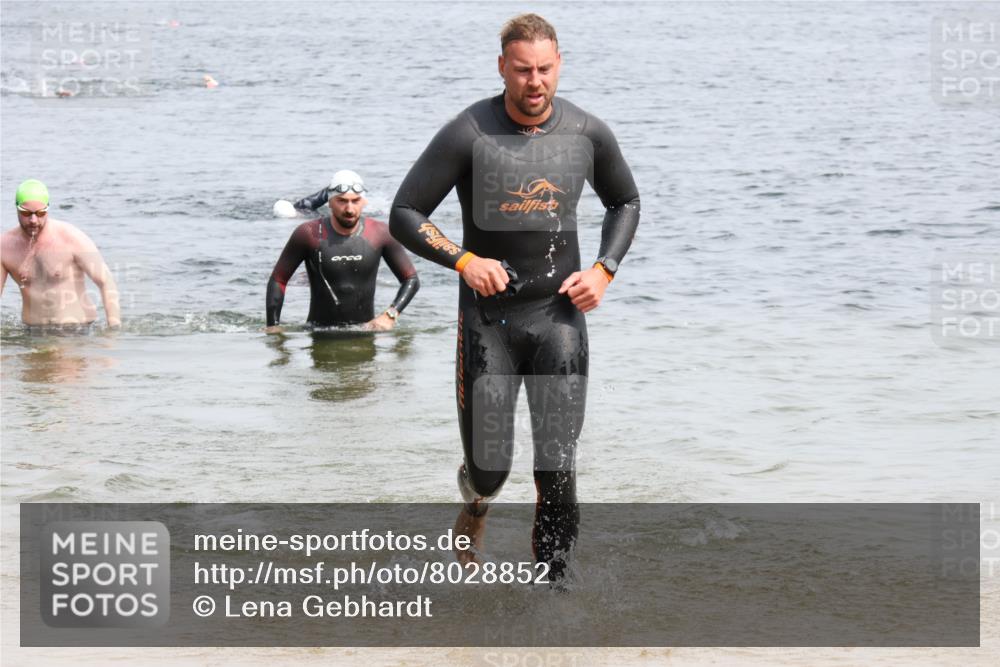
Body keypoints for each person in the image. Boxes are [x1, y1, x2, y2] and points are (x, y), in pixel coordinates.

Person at [389, 14, 640, 580]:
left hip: (559, 319)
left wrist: (605, 269)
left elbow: (625, 201)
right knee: (490, 470)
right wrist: (463, 260)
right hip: (489, 323)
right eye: (523, 70)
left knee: (557, 466)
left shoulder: (586, 133)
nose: (535, 82)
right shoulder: (469, 132)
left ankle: (553, 594)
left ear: (560, 65)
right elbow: (405, 212)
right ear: (502, 66)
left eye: (545, 69)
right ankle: (476, 503)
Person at [266, 170, 419, 331]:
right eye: (342, 201)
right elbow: (278, 279)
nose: (349, 209)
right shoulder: (308, 234)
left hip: (365, 334)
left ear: (364, 201)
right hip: (319, 334)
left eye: (355, 201)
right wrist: (272, 326)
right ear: (330, 202)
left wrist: (390, 315)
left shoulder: (380, 233)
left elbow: (411, 279)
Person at [1, 179, 121, 330]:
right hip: (32, 335)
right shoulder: (4, 246)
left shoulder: (71, 237)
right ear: (17, 209)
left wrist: (113, 329)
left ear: (48, 209)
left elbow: (106, 281)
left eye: (40, 213)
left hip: (76, 331)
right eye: (26, 213)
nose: (33, 220)